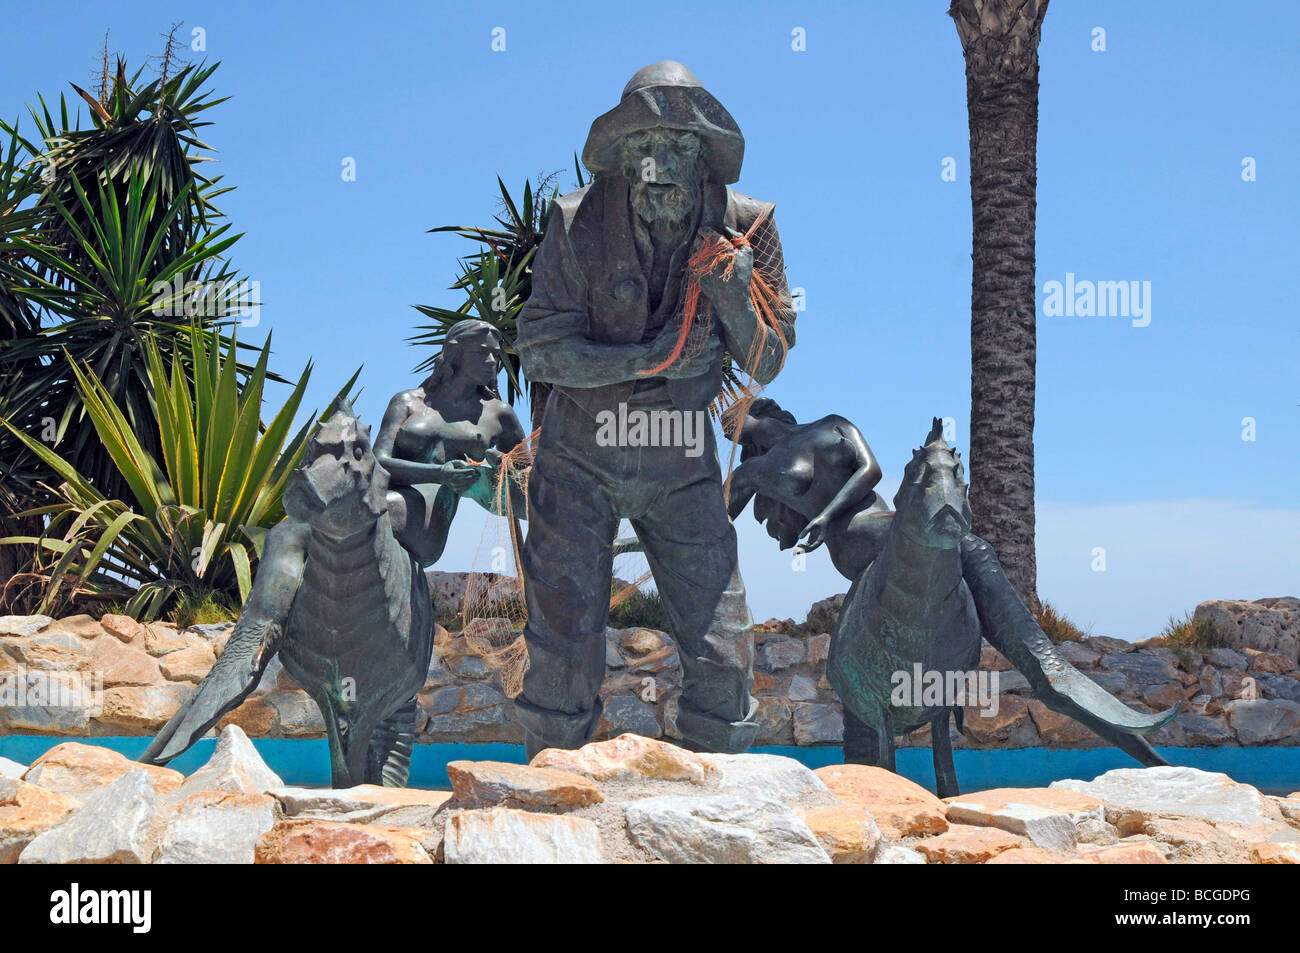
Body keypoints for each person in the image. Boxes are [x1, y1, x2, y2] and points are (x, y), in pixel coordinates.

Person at [513, 61, 797, 755]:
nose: (660, 166)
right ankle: (551, 816)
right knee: (560, 666)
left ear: (704, 154)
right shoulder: (574, 222)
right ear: (620, 157)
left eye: (677, 147)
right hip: (578, 456)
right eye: (643, 148)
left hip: (679, 459)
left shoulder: (748, 226)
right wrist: (648, 359)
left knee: (727, 661)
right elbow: (540, 349)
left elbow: (769, 357)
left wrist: (732, 296)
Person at [373, 319, 526, 567]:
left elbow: (529, 485)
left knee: (374, 513)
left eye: (495, 355)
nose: (491, 362)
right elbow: (377, 462)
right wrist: (440, 474)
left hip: (425, 522)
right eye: (481, 352)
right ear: (455, 352)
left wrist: (501, 471)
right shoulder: (407, 401)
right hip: (381, 499)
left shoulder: (499, 415)